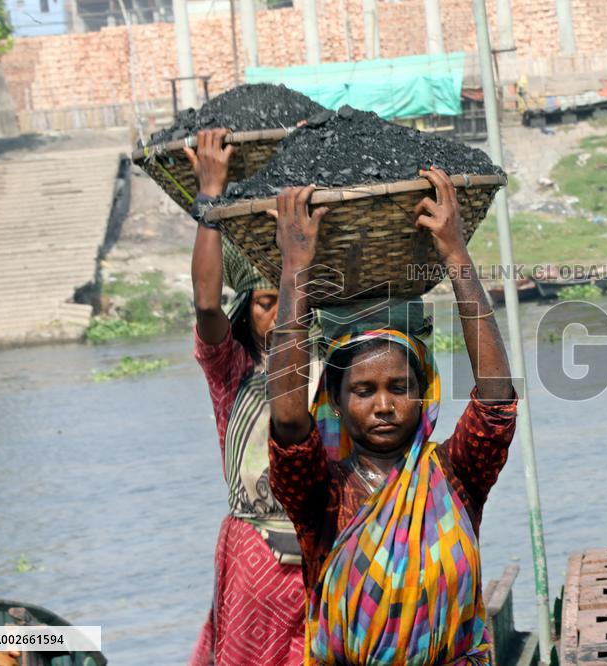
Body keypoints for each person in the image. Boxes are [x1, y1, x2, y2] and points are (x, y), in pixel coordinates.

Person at [266, 168, 519, 665]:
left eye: (399, 387)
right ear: (334, 402)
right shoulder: (322, 494)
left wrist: (455, 255)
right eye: (363, 390)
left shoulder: (454, 474)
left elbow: (495, 402)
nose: (383, 405)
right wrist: (295, 271)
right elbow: (291, 427)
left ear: (423, 393)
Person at [185, 129, 307, 665]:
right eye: (264, 302)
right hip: (256, 564)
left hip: (325, 562)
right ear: (246, 312)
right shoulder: (232, 374)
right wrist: (211, 197)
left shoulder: (338, 370)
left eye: (288, 301)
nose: (278, 315)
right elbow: (207, 306)